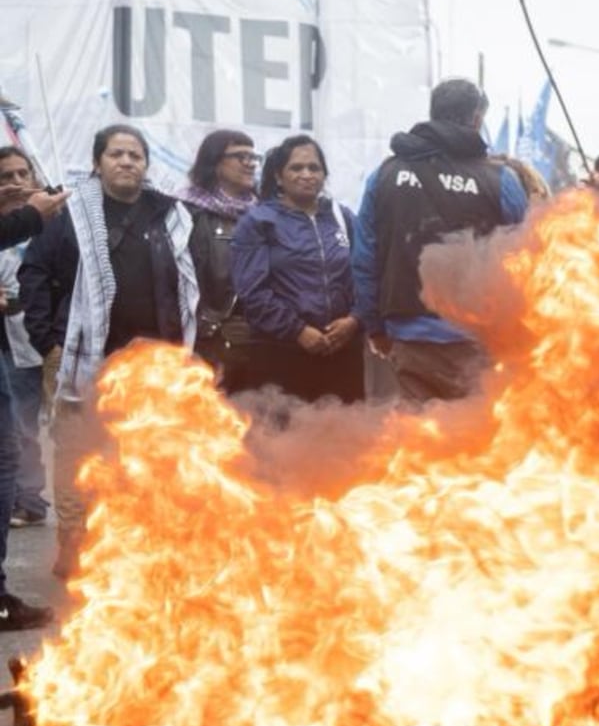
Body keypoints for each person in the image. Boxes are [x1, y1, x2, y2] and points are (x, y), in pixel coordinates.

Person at [20, 124, 198, 582]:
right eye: (116, 154)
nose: (126, 162)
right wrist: (50, 343)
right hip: (83, 361)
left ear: (145, 164)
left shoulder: (170, 216)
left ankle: (139, 545)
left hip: (152, 364)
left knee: (146, 457)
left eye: (134, 155)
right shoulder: (68, 217)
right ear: (98, 163)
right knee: (80, 458)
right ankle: (76, 546)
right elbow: (34, 275)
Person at [352, 79, 527, 405]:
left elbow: (364, 258)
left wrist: (375, 327)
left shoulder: (386, 174)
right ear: (476, 118)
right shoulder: (501, 180)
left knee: (416, 443)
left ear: (433, 114)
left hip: (405, 334)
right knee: (476, 444)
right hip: (477, 340)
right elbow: (525, 261)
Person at [227, 135, 365, 405]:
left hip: (343, 351)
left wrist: (355, 320)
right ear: (279, 176)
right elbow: (252, 292)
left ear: (324, 174)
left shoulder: (343, 217)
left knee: (345, 440)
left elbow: (366, 274)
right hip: (281, 353)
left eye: (314, 168)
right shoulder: (258, 221)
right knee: (283, 443)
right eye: (296, 168)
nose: (306, 175)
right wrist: (298, 331)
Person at [0, 148, 65, 530]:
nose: (16, 182)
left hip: (48, 338)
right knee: (19, 427)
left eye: (23, 174)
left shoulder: (52, 221)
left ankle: (35, 497)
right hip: (12, 343)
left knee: (59, 425)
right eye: (6, 176)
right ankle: (27, 498)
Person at [181, 129, 260, 382]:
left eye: (253, 157)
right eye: (240, 156)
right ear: (214, 162)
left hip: (260, 341)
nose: (249, 164)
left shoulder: (266, 213)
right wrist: (210, 327)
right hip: (207, 342)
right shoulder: (187, 213)